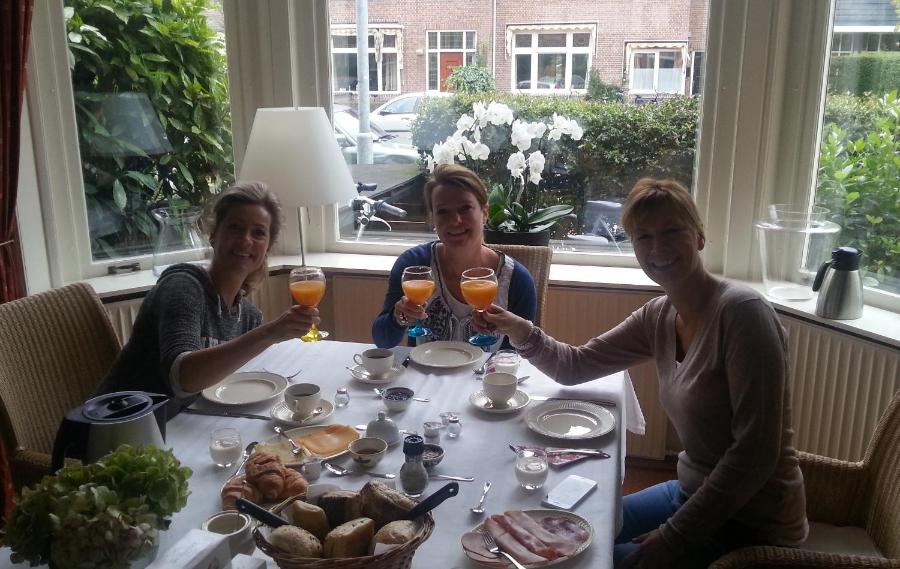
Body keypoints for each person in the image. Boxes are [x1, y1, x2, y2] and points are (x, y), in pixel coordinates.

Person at [474, 178, 808, 568]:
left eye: (672, 231)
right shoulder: (659, 315)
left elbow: (756, 454)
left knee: (588, 562)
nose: (658, 248)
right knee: (568, 530)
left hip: (751, 520)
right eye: (643, 237)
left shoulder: (742, 314)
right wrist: (519, 329)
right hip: (690, 490)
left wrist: (676, 536)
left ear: (699, 236)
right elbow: (575, 365)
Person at [95, 181, 319, 414]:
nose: (245, 240)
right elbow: (182, 379)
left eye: (258, 233)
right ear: (213, 235)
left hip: (181, 423)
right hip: (116, 425)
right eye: (235, 228)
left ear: (267, 248)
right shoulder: (183, 287)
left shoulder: (248, 317)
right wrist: (269, 333)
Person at [372, 163, 537, 349]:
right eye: (443, 211)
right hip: (422, 369)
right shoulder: (414, 265)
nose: (455, 220)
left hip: (489, 370)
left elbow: (522, 354)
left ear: (484, 213)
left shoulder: (516, 280)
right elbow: (382, 341)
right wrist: (398, 318)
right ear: (433, 219)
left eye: (465, 208)